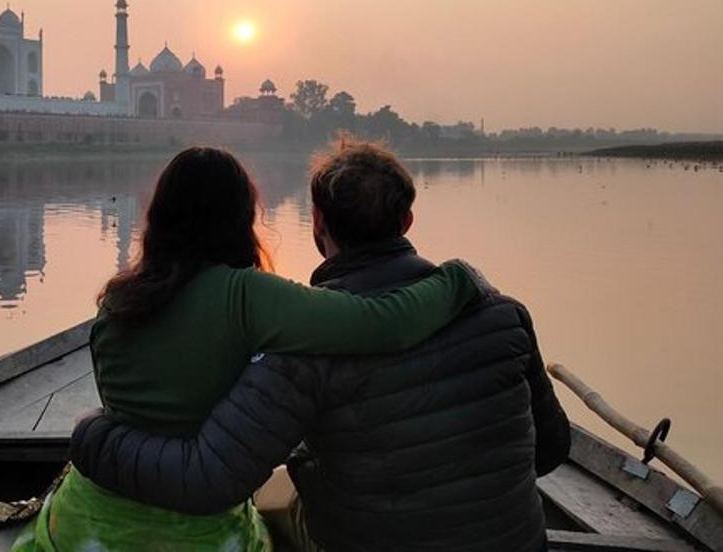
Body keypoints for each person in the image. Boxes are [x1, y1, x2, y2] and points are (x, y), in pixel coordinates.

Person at [71, 137, 571, 552]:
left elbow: (209, 480)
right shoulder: (505, 315)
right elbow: (550, 449)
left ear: (319, 225)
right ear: (407, 223)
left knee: (282, 500)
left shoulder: (298, 347)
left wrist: (91, 434)